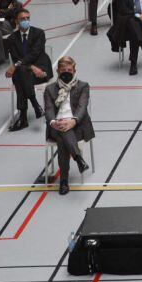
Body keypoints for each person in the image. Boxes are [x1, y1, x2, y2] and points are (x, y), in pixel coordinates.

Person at [43, 57, 93, 196]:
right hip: (56, 126)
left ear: (74, 70)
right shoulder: (50, 89)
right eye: (63, 70)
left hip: (77, 126)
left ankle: (64, 180)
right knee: (62, 132)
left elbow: (82, 108)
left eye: (69, 70)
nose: (66, 72)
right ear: (58, 71)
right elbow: (48, 110)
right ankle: (78, 158)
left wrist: (72, 121)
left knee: (62, 139)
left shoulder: (83, 86)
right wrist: (53, 122)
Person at [5, 9, 51, 131]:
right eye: (22, 19)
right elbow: (16, 57)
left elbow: (35, 53)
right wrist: (31, 67)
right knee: (22, 73)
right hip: (28, 71)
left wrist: (16, 66)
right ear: (16, 21)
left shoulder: (39, 33)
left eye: (27, 18)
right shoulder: (11, 39)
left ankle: (23, 117)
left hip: (41, 70)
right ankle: (35, 104)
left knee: (19, 74)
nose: (25, 21)